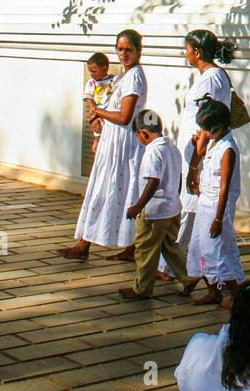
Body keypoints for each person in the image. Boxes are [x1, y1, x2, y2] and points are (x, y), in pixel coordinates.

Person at [58, 29, 147, 262]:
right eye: (120, 49)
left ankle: (120, 245)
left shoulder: (135, 77)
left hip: (124, 144)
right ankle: (85, 243)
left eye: (128, 49)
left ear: (138, 51)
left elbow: (125, 116)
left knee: (117, 191)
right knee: (103, 190)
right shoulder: (122, 76)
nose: (124, 54)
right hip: (113, 141)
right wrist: (99, 119)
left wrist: (99, 112)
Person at [118, 109, 191, 301]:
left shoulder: (152, 152)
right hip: (172, 209)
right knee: (170, 246)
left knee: (145, 250)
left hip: (154, 212)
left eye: (138, 136)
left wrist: (138, 206)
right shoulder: (172, 148)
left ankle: (141, 289)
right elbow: (179, 177)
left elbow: (153, 181)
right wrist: (174, 198)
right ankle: (188, 277)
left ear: (143, 133)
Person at [176, 31, 234, 251]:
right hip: (198, 149)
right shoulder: (212, 76)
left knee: (191, 204)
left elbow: (206, 122)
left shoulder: (210, 79)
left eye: (188, 50)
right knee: (191, 203)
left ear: (197, 52)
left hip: (201, 150)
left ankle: (177, 262)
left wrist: (193, 164)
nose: (186, 54)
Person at [184, 97, 244, 308]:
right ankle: (213, 291)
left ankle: (236, 294)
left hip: (219, 206)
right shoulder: (213, 141)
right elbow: (198, 156)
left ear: (218, 127)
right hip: (205, 201)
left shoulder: (227, 149)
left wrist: (218, 218)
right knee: (200, 247)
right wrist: (200, 144)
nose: (205, 134)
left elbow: (225, 187)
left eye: (207, 130)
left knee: (217, 251)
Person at [83, 51, 117, 154]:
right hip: (97, 113)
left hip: (109, 114)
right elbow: (88, 96)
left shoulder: (114, 80)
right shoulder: (92, 82)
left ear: (105, 69)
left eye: (94, 71)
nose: (91, 74)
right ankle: (96, 142)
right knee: (97, 133)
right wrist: (93, 109)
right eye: (90, 72)